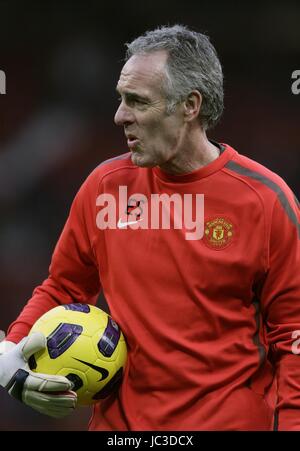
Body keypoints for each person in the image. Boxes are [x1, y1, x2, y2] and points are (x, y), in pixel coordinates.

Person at [0, 24, 300, 431]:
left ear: (190, 105)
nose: (120, 116)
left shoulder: (264, 201)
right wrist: (12, 353)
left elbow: (292, 334)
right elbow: (64, 286)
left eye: (137, 102)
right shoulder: (105, 187)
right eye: (121, 100)